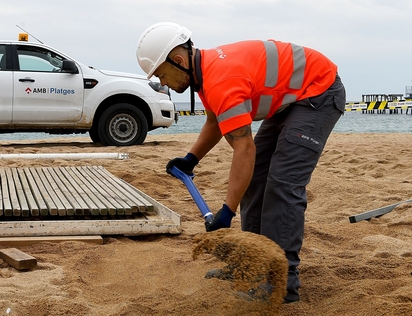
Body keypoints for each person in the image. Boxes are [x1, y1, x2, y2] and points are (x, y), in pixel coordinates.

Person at [136, 22, 346, 303]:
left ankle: (280, 280)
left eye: (161, 74)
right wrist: (191, 159)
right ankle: (251, 263)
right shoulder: (205, 73)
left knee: (282, 183)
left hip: (318, 92)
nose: (162, 82)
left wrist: (227, 212)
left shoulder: (220, 79)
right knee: (257, 178)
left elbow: (244, 148)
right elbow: (214, 121)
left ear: (179, 61)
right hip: (290, 99)